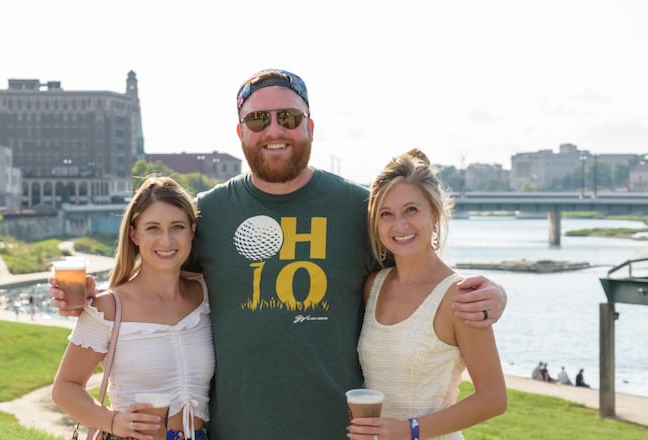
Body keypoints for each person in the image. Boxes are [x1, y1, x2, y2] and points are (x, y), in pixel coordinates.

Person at [51, 68, 508, 439]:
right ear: (240, 131)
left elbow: (416, 273)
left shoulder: (360, 209)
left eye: (288, 118)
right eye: (258, 120)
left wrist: (494, 294)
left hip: (342, 432)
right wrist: (87, 296)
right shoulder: (206, 214)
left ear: (310, 126)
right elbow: (156, 278)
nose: (274, 130)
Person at [349, 149, 507, 440]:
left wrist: (409, 430)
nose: (400, 225)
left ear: (434, 213)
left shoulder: (460, 296)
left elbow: (493, 398)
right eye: (386, 214)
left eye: (411, 210)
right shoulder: (373, 286)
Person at [51, 175, 214, 440]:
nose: (167, 241)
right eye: (153, 228)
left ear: (192, 230)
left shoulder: (206, 294)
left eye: (177, 227)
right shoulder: (109, 308)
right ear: (134, 234)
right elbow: (65, 389)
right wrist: (113, 422)